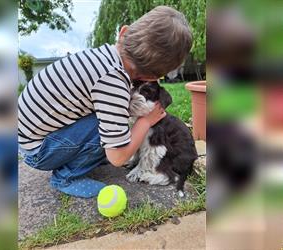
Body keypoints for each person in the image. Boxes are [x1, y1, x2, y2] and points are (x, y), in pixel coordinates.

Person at [18, 6, 192, 198]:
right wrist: (146, 121)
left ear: (123, 32)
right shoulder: (112, 80)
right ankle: (66, 177)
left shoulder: (103, 57)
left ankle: (83, 157)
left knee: (113, 123)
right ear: (154, 77)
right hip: (39, 150)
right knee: (113, 132)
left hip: (31, 138)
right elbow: (117, 158)